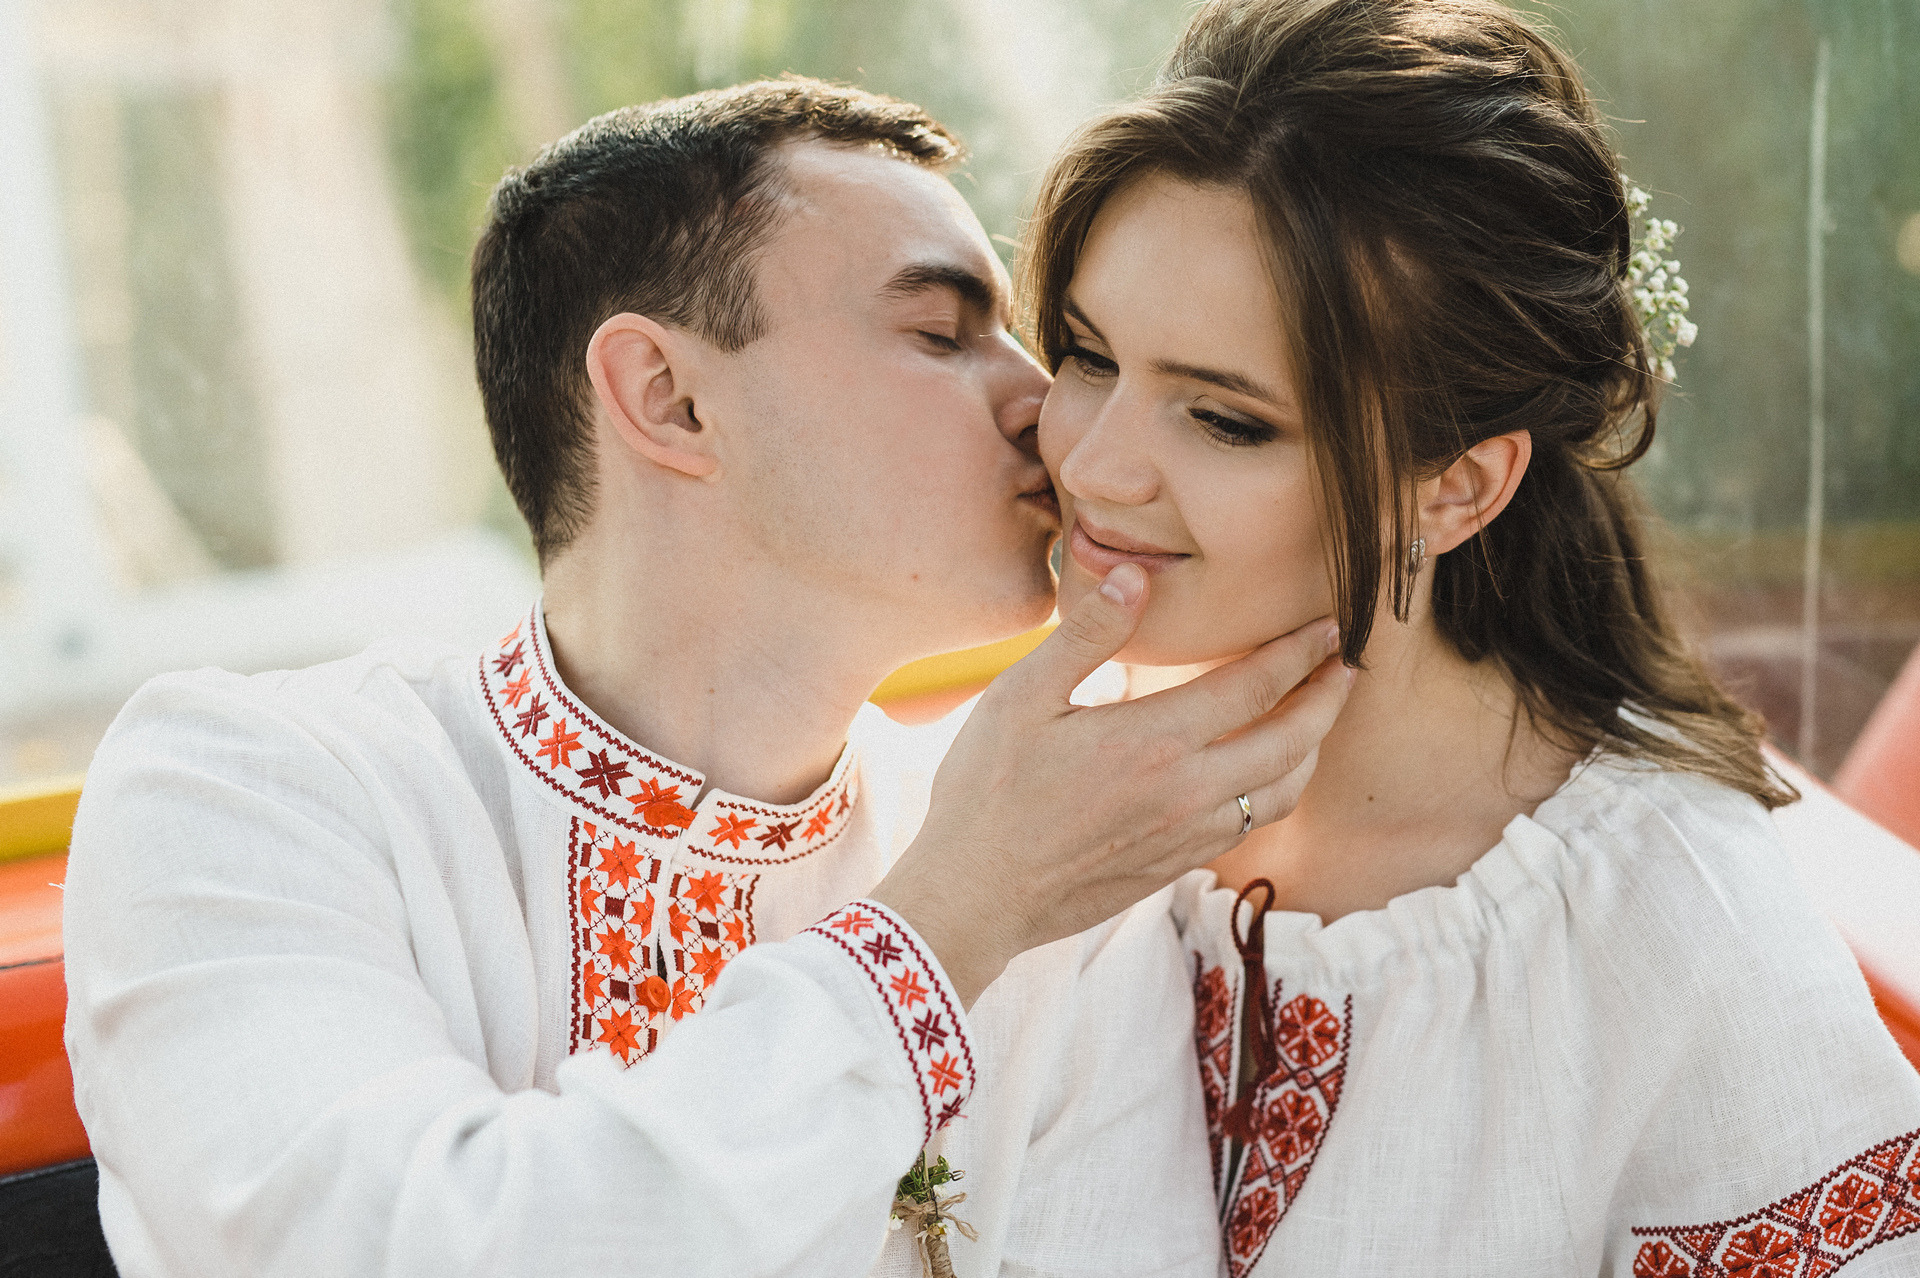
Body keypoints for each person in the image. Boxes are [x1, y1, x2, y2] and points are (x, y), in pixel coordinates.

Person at [62, 79, 1352, 1277]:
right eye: (943, 333)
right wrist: (950, 919)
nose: (1053, 408)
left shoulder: (1056, 855)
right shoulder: (246, 791)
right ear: (669, 399)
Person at [1020, 1, 1920, 1274]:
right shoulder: (1028, 783)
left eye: (1224, 420)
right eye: (1087, 355)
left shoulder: (1663, 912)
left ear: (1457, 487)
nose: (1096, 466)